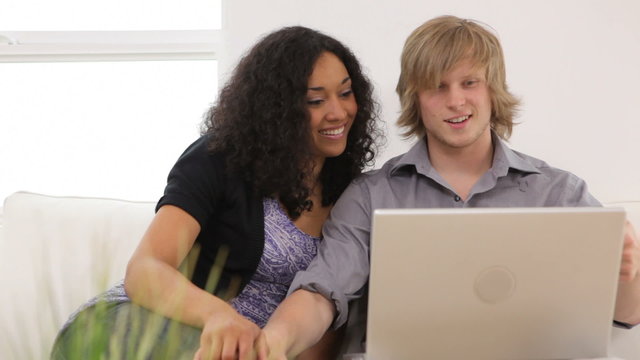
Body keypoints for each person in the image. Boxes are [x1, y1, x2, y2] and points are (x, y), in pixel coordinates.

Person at [261, 15, 640, 358]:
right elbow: (321, 294)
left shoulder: (560, 193)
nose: (455, 101)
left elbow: (628, 314)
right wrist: (275, 339)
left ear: (492, 88)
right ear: (416, 99)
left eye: (469, 82)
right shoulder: (371, 195)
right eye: (436, 87)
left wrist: (628, 271)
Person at [50, 25, 381, 360]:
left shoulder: (355, 193)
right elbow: (145, 269)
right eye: (315, 100)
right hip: (138, 326)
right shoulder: (219, 159)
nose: (338, 112)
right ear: (277, 108)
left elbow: (333, 309)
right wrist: (219, 316)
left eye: (346, 93)